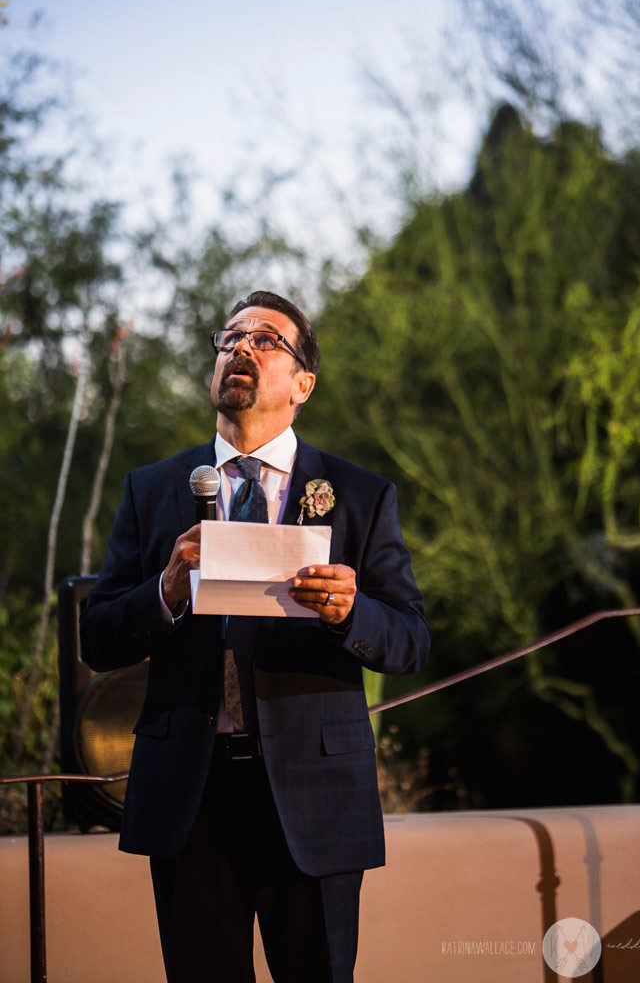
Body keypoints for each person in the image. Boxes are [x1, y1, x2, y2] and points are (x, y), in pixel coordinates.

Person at [80, 290, 430, 983]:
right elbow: (98, 636)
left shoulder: (357, 495)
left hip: (315, 794)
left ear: (302, 384)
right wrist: (166, 590)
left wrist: (348, 613)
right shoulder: (153, 490)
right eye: (230, 338)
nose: (240, 348)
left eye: (266, 340)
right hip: (190, 795)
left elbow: (410, 641)